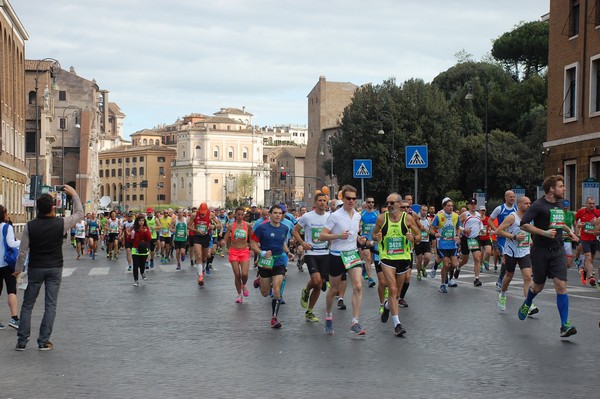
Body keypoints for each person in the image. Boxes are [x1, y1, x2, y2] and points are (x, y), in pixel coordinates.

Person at [14, 185, 83, 351]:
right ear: (53, 207)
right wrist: (74, 194)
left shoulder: (30, 226)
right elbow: (80, 214)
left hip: (35, 267)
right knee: (50, 305)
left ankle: (22, 341)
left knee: (27, 305)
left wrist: (17, 270)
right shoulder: (61, 223)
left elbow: (22, 252)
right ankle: (43, 341)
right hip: (54, 267)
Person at [518, 175, 579, 338]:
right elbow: (523, 224)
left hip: (557, 250)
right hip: (540, 251)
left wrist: (570, 232)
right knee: (538, 287)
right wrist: (543, 233)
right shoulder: (538, 205)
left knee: (561, 285)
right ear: (552, 189)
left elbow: (559, 223)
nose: (564, 189)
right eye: (561, 186)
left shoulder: (559, 204)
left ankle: (564, 325)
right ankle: (528, 302)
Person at [319, 185, 368, 336]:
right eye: (349, 198)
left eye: (354, 198)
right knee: (334, 290)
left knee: (358, 286)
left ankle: (355, 321)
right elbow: (322, 236)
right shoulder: (334, 216)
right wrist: (338, 236)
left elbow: (355, 234)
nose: (352, 201)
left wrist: (359, 238)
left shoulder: (358, 216)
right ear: (343, 199)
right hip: (336, 254)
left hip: (352, 254)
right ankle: (328, 316)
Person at [373, 194, 421, 336]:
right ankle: (397, 325)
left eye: (392, 203)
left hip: (403, 258)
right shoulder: (382, 218)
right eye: (387, 203)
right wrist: (376, 237)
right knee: (392, 289)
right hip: (387, 257)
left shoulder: (407, 219)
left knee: (397, 293)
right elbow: (373, 235)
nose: (389, 205)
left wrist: (413, 238)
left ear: (399, 204)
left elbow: (419, 236)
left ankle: (388, 306)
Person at [250, 205, 292, 328]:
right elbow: (253, 244)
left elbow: (283, 241)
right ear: (270, 214)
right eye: (275, 213)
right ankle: (260, 280)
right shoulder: (262, 228)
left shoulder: (285, 228)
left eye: (280, 213)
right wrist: (261, 252)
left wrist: (288, 252)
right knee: (264, 293)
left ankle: (274, 318)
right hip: (266, 261)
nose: (278, 215)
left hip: (279, 260)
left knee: (276, 288)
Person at [495, 196, 537, 314]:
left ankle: (528, 304)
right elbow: (498, 231)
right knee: (509, 276)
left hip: (524, 251)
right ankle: (502, 296)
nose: (529, 205)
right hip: (511, 251)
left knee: (528, 277)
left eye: (530, 203)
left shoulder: (530, 218)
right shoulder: (512, 217)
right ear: (519, 205)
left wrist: (530, 239)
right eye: (526, 203)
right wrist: (514, 237)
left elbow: (528, 230)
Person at [294, 193, 329, 323]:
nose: (322, 203)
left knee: (319, 285)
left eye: (324, 201)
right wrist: (303, 244)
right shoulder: (307, 217)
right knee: (316, 280)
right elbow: (295, 230)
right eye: (319, 200)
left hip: (325, 253)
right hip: (311, 253)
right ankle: (306, 290)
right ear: (315, 203)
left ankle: (309, 311)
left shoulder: (330, 217)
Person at [430, 198, 461, 293]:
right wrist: (435, 234)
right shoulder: (439, 216)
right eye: (448, 206)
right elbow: (431, 228)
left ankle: (445, 273)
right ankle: (443, 284)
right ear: (444, 207)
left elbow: (458, 228)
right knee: (446, 264)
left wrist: (458, 236)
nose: (451, 207)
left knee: (455, 264)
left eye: (452, 206)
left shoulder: (456, 216)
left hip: (453, 245)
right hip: (442, 245)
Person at [489, 190, 517, 289]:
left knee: (510, 260)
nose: (512, 198)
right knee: (505, 258)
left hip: (513, 238)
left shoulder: (516, 208)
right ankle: (501, 279)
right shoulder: (500, 208)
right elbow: (490, 220)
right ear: (505, 198)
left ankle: (504, 278)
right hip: (502, 238)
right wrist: (496, 230)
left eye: (513, 196)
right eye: (510, 197)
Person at [188, 203, 221, 287]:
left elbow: (219, 224)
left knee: (204, 257)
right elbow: (188, 226)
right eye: (201, 212)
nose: (202, 214)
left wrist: (213, 226)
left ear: (207, 210)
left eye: (204, 213)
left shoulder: (211, 215)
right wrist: (196, 230)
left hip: (206, 237)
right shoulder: (194, 215)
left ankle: (201, 270)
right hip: (197, 237)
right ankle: (200, 276)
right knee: (198, 256)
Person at [225, 207, 252, 303]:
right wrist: (223, 243)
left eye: (242, 214)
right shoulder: (231, 226)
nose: (240, 216)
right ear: (235, 215)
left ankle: (243, 285)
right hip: (234, 251)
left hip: (244, 251)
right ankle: (239, 295)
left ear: (243, 215)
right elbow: (225, 239)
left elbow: (251, 239)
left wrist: (252, 249)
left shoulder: (248, 225)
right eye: (238, 214)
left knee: (244, 274)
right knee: (237, 274)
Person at [0, 206, 21, 330]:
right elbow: (11, 243)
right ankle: (14, 318)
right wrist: (23, 241)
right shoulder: (7, 227)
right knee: (11, 290)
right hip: (6, 264)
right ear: (3, 215)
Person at [456, 198, 484, 286]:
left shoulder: (479, 215)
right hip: (466, 238)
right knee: (465, 260)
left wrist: (482, 230)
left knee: (477, 258)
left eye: (475, 204)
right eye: (471, 204)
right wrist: (464, 230)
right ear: (468, 205)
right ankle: (458, 267)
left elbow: (480, 224)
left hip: (475, 239)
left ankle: (477, 279)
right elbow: (456, 224)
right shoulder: (465, 214)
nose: (473, 206)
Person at [575, 196, 600, 286]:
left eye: (593, 204)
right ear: (586, 204)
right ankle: (591, 277)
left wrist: (596, 223)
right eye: (590, 203)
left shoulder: (597, 213)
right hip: (584, 239)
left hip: (594, 239)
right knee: (588, 257)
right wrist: (578, 226)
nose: (592, 205)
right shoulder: (581, 212)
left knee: (591, 260)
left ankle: (584, 271)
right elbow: (575, 220)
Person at [359, 196, 378, 288]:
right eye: (369, 202)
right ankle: (370, 279)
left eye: (372, 202)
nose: (371, 204)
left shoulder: (377, 214)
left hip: (374, 239)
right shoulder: (361, 214)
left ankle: (364, 269)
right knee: (367, 258)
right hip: (365, 239)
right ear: (366, 203)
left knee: (371, 261)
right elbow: (357, 225)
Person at [131, 214, 151, 286]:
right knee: (135, 265)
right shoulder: (134, 228)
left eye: (142, 220)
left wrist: (146, 232)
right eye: (140, 220)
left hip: (143, 249)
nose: (141, 222)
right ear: (137, 221)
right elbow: (131, 238)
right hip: (135, 248)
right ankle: (136, 280)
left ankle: (142, 272)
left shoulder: (146, 228)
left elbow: (149, 238)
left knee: (142, 264)